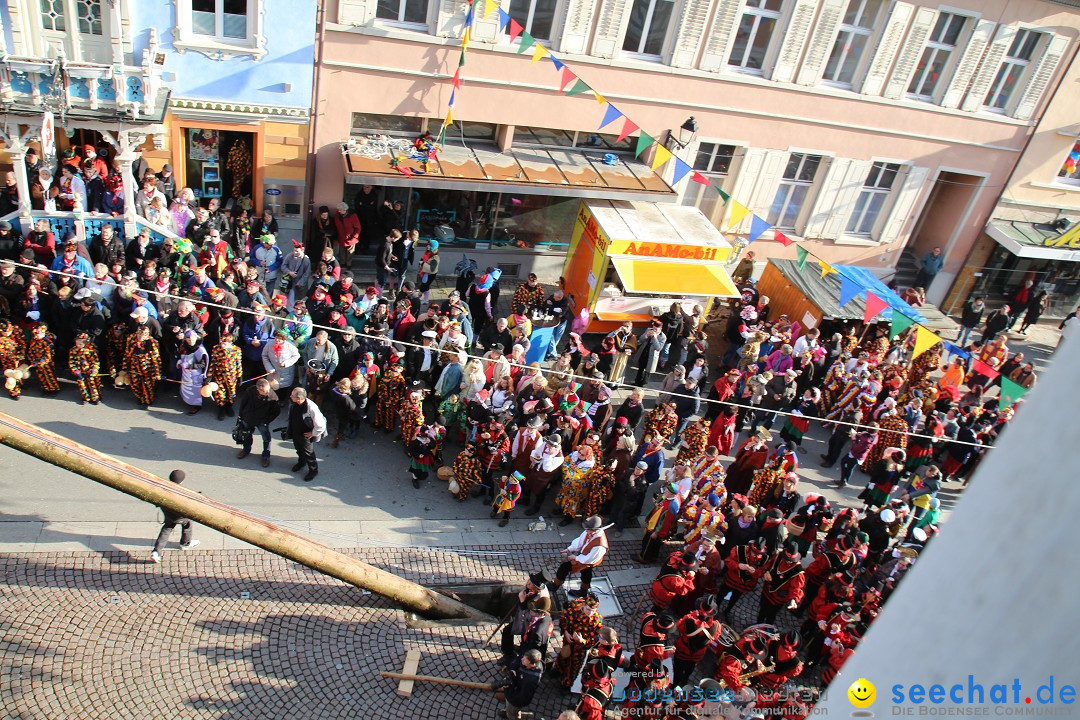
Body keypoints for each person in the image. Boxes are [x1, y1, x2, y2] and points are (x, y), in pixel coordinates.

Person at [150, 470, 201, 563]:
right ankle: (185, 543)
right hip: (180, 516)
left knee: (166, 529)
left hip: (168, 514)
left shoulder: (164, 488)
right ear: (181, 481)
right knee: (187, 525)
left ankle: (156, 551)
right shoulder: (181, 492)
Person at [551, 515, 607, 598]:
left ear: (595, 530)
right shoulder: (588, 531)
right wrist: (569, 549)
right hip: (585, 556)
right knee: (586, 573)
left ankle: (554, 586)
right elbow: (580, 541)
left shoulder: (600, 546)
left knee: (565, 567)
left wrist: (575, 558)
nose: (586, 531)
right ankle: (583, 591)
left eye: (588, 530)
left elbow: (588, 559)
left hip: (589, 560)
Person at [236, 378, 281, 467]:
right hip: (248, 418)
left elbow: (276, 412)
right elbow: (243, 403)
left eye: (268, 390)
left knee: (266, 439)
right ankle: (246, 450)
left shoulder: (273, 397)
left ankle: (266, 456)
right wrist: (241, 416)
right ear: (258, 390)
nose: (267, 392)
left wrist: (267, 421)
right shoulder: (250, 391)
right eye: (265, 391)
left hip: (262, 421)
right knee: (247, 435)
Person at [286, 387, 326, 482]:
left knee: (309, 453)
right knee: (298, 448)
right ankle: (301, 462)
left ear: (299, 399)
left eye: (292, 395)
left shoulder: (311, 408)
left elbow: (320, 425)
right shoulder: (294, 403)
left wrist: (313, 433)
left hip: (305, 434)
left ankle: (313, 470)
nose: (290, 396)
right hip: (295, 431)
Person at [492, 649, 543, 720]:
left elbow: (521, 698)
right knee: (507, 704)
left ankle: (510, 715)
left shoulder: (530, 681)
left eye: (525, 660)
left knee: (512, 712)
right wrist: (513, 671)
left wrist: (508, 691)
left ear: (532, 664)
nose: (522, 659)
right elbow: (518, 664)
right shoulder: (530, 664)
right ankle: (509, 710)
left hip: (515, 700)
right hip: (515, 690)